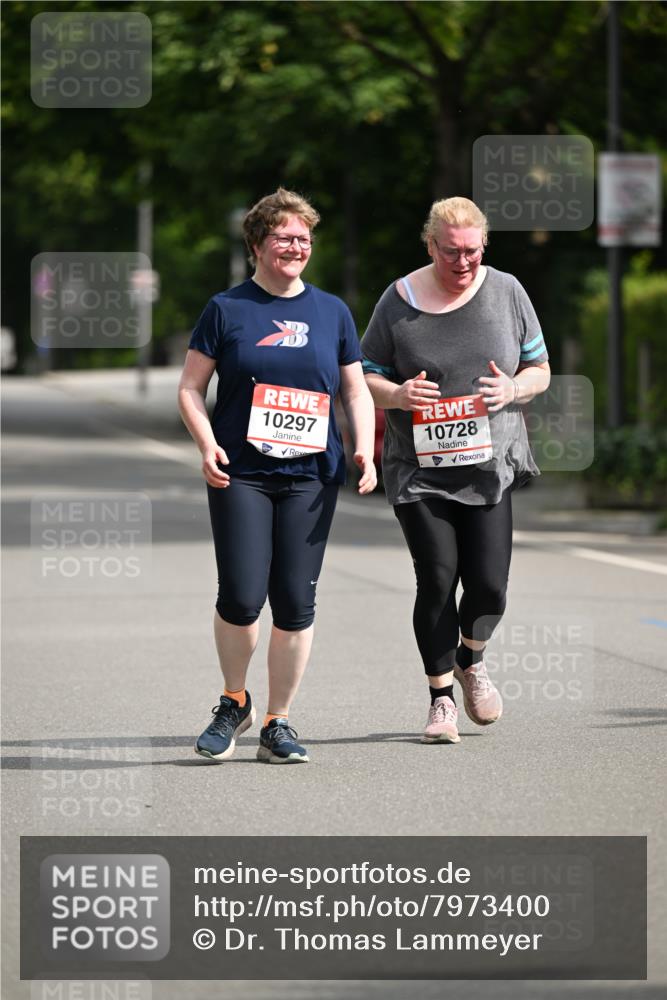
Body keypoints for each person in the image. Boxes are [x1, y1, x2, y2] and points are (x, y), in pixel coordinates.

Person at [179, 187, 376, 764]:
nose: (297, 247)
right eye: (285, 237)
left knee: (295, 601)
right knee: (241, 596)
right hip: (241, 474)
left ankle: (277, 722)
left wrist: (364, 447)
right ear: (258, 245)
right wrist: (208, 443)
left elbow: (355, 388)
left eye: (305, 240)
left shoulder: (332, 311)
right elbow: (191, 388)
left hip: (311, 477)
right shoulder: (227, 309)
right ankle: (233, 700)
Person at [361, 197, 550, 744]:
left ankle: (472, 657)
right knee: (439, 577)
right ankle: (441, 699)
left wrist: (514, 388)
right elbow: (363, 374)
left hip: (489, 465)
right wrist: (396, 393)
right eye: (450, 252)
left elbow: (539, 367)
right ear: (430, 246)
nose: (462, 261)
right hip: (418, 469)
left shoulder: (508, 292)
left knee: (489, 588)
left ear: (483, 246)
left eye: (471, 251)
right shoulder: (398, 302)